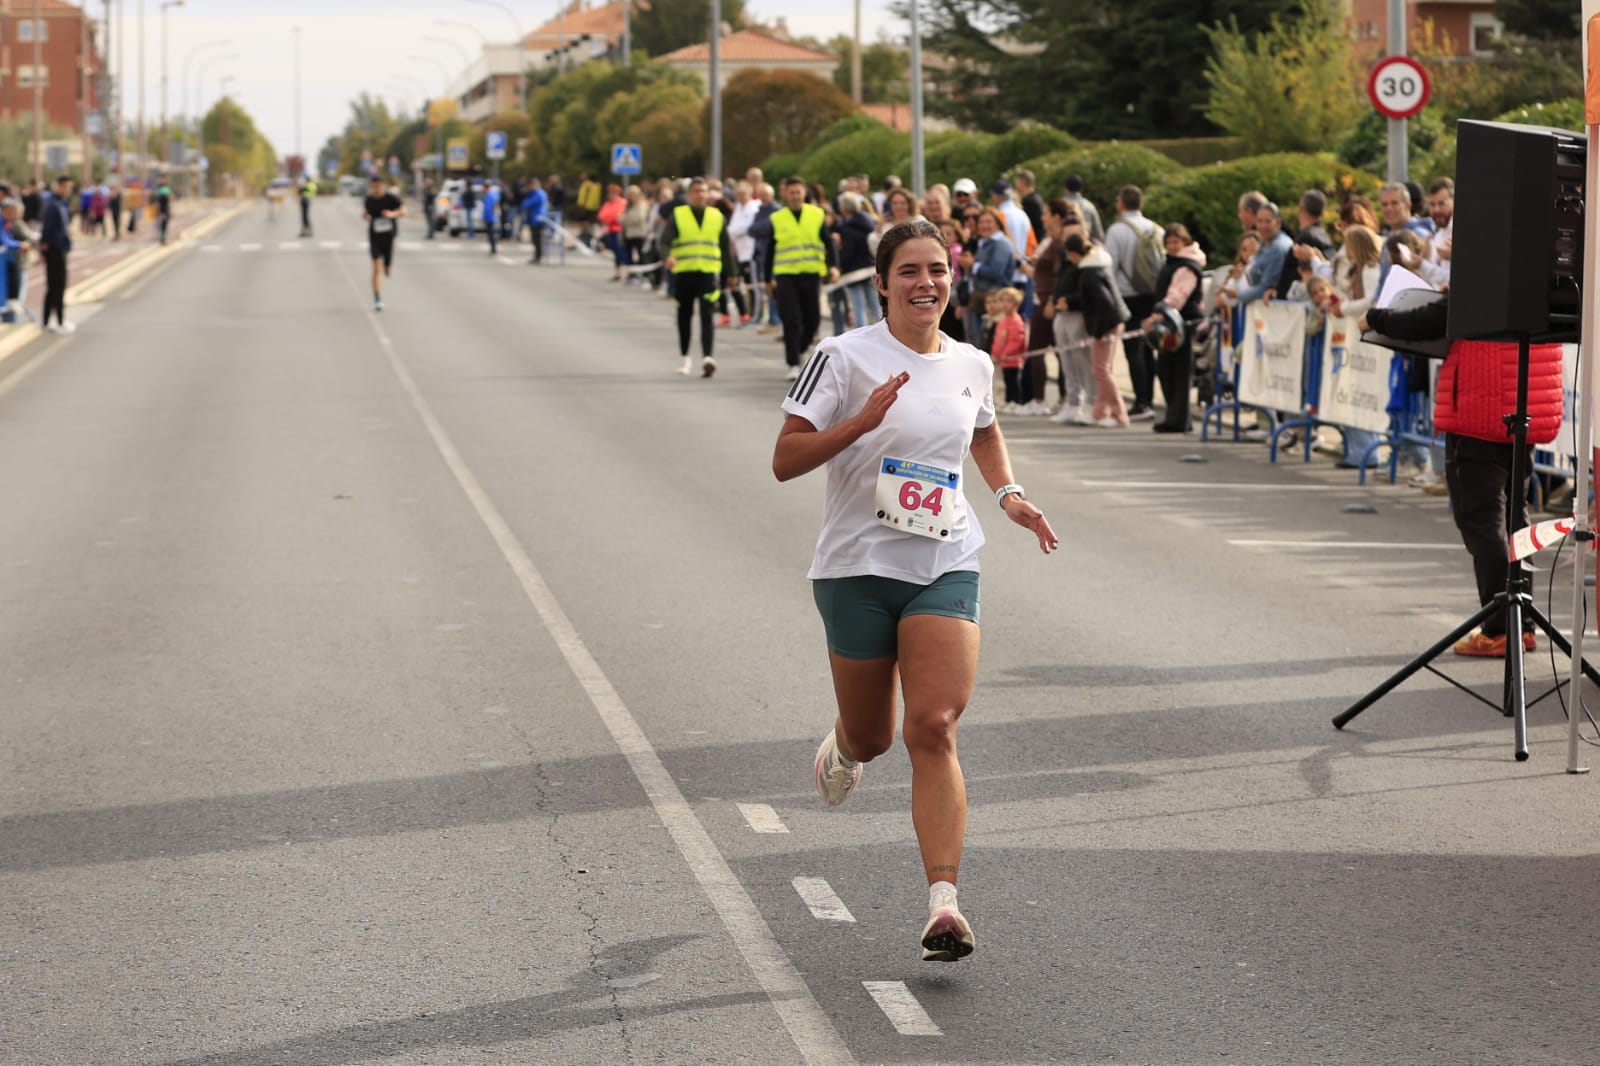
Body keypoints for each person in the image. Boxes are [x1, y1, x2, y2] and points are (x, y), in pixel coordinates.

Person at [772, 217, 1057, 963]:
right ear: (882, 282)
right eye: (910, 271)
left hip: (945, 558)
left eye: (937, 269)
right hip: (856, 569)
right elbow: (785, 457)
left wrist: (1008, 495)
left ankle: (944, 903)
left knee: (932, 726)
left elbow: (982, 432)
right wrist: (860, 423)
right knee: (873, 735)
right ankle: (843, 745)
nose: (925, 283)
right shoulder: (840, 357)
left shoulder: (970, 361)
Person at [1361, 295, 1559, 657]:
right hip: (1525, 403)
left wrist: (1376, 318)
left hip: (1482, 407)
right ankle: (1521, 623)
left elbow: (1432, 319)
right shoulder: (1541, 262)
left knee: (1483, 520)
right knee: (1516, 516)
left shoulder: (1490, 259)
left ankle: (1502, 626)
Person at [766, 176, 838, 381]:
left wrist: (834, 266)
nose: (795, 196)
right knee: (791, 320)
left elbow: (829, 242)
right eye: (791, 192)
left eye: (798, 192)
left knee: (813, 319)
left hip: (811, 273)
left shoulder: (816, 214)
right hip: (785, 275)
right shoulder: (777, 218)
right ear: (785, 194)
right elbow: (769, 251)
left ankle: (800, 349)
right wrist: (766, 278)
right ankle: (793, 363)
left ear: (804, 193)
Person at [662, 177, 735, 378]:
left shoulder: (716, 216)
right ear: (689, 194)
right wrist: (667, 256)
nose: (700, 194)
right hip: (684, 273)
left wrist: (732, 274)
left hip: (709, 274)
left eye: (703, 191)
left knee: (707, 314)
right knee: (684, 316)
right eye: (696, 191)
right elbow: (665, 240)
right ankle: (685, 357)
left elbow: (725, 248)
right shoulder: (679, 215)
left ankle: (708, 358)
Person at [1143, 223, 1207, 433]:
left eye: (1176, 242)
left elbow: (1177, 295)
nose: (1171, 246)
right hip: (1170, 324)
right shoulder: (1174, 262)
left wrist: (1157, 316)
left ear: (1185, 242)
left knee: (1178, 373)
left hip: (1182, 325)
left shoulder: (1187, 266)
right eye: (1168, 242)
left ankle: (1178, 419)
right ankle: (1175, 416)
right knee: (1166, 370)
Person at [1063, 231, 1130, 427]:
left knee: (1101, 370)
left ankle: (1119, 413)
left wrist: (1099, 332)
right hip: (1111, 321)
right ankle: (1100, 412)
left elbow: (1103, 303)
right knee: (1102, 369)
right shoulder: (1098, 265)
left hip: (1106, 324)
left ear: (1074, 253)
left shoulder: (1090, 272)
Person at [363, 174, 405, 311]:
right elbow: (366, 214)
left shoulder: (391, 199)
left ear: (383, 185)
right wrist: (366, 216)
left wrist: (392, 215)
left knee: (386, 270)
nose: (377, 188)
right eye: (374, 186)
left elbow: (403, 211)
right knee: (376, 268)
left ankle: (388, 266)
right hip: (375, 237)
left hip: (389, 237)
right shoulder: (369, 200)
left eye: (379, 185)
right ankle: (377, 298)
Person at [37, 174, 73, 333]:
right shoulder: (53, 205)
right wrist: (43, 250)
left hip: (61, 249)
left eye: (69, 187)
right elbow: (47, 229)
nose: (68, 190)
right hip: (54, 250)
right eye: (65, 187)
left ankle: (52, 320)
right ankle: (55, 321)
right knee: (56, 285)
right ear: (59, 186)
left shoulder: (62, 203)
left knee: (58, 285)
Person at [988, 287, 1028, 412]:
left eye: (1008, 301)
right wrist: (995, 353)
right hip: (1002, 360)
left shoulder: (1016, 321)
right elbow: (997, 339)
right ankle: (1006, 400)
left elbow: (1016, 341)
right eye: (1002, 301)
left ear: (1016, 304)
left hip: (1013, 360)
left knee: (1013, 382)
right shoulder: (1002, 321)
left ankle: (1015, 401)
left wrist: (1006, 353)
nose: (1005, 305)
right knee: (1005, 381)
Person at [522, 178, 549, 265]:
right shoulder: (538, 193)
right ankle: (537, 256)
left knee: (537, 239)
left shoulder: (538, 194)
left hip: (537, 218)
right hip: (536, 218)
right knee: (535, 239)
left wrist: (527, 195)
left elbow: (527, 203)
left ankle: (538, 257)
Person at [155, 180, 172, 245]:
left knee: (162, 226)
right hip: (164, 211)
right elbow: (167, 203)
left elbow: (158, 204)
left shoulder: (159, 193)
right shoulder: (165, 192)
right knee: (164, 226)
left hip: (162, 212)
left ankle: (163, 239)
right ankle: (163, 239)